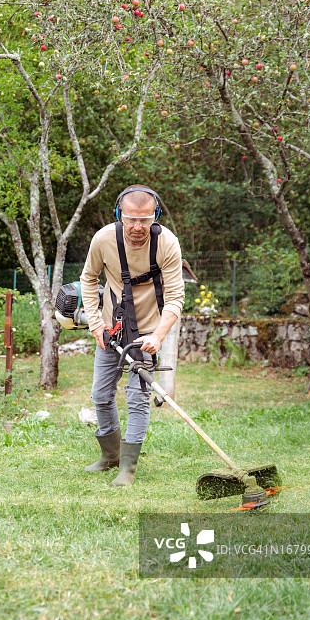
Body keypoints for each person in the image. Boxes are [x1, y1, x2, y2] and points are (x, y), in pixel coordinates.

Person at [80, 185, 185, 486]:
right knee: (101, 394)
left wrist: (159, 336)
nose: (138, 227)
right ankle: (110, 455)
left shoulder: (166, 243)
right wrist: (96, 324)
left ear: (156, 215)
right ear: (119, 215)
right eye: (131, 219)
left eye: (145, 219)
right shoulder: (103, 239)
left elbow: (176, 296)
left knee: (138, 398)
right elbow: (88, 279)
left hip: (149, 330)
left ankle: (128, 467)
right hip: (112, 327)